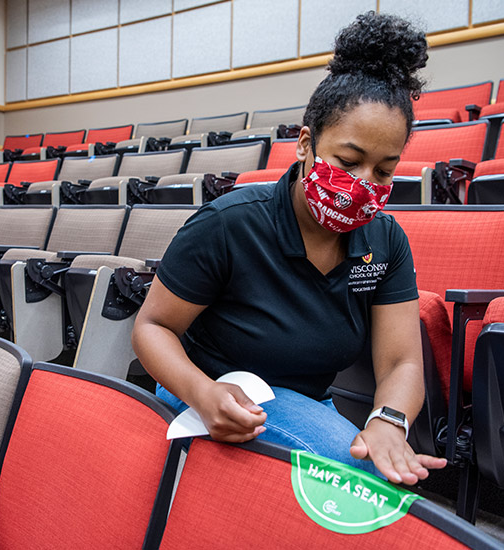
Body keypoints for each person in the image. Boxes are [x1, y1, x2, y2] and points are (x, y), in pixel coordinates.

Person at [131, 11, 447, 485]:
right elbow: (152, 327)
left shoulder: (385, 241)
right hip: (209, 388)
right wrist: (201, 392)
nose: (364, 184)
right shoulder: (228, 223)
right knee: (358, 480)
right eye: (348, 161)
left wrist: (389, 421)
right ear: (305, 145)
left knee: (369, 474)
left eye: (384, 171)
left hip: (305, 401)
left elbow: (401, 362)